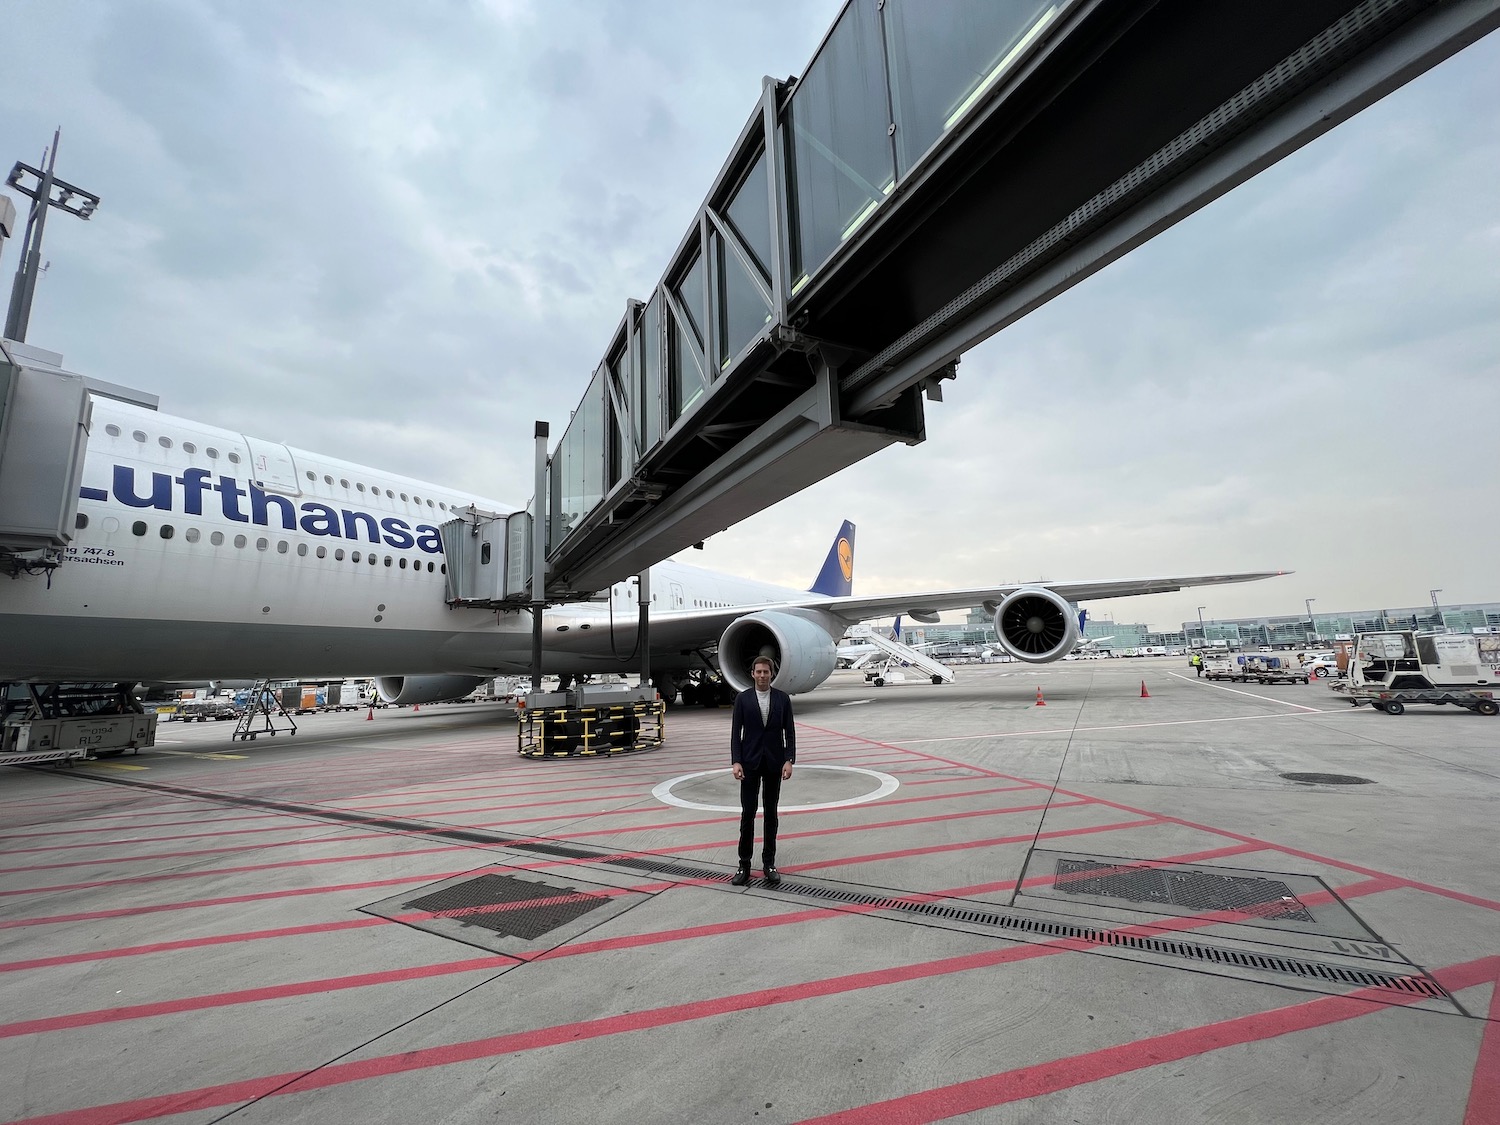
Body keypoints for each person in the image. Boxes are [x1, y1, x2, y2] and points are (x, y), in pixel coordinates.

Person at [729, 655, 796, 886]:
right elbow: (736, 733)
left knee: (771, 814)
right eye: (758, 672)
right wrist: (736, 761)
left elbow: (790, 732)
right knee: (748, 814)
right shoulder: (743, 699)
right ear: (753, 674)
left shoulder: (782, 699)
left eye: (766, 672)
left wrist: (789, 760)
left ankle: (769, 863)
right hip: (749, 764)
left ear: (772, 674)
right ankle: (744, 864)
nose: (762, 676)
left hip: (774, 764)